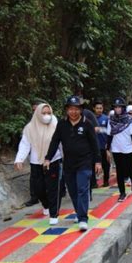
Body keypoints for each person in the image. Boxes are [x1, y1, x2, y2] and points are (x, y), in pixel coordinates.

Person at [45, 96, 101, 231]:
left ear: (81, 110)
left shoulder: (87, 124)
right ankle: (79, 211)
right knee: (73, 190)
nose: (73, 112)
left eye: (76, 109)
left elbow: (95, 144)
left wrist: (98, 161)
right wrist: (48, 158)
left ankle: (83, 218)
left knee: (82, 189)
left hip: (85, 162)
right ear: (67, 110)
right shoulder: (62, 124)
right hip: (69, 164)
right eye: (71, 109)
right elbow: (55, 141)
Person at [15, 103, 62, 224]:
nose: (46, 116)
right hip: (36, 162)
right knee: (38, 188)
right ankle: (45, 204)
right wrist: (19, 159)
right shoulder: (30, 128)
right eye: (43, 113)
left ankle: (54, 214)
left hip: (53, 161)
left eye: (49, 113)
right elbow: (25, 144)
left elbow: (61, 143)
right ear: (37, 114)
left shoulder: (55, 125)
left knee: (53, 189)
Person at [107, 97, 132, 202]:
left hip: (128, 149)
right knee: (119, 171)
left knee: (129, 169)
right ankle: (122, 193)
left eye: (119, 107)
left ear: (123, 108)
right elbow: (109, 135)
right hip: (116, 149)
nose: (117, 109)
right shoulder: (111, 120)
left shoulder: (130, 120)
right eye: (115, 107)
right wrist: (108, 149)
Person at [23, 98, 49, 207]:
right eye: (33, 110)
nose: (34, 112)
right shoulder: (30, 124)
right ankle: (34, 197)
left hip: (49, 156)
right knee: (35, 178)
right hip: (35, 157)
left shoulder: (51, 122)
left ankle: (56, 194)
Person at [93, 100, 110, 187]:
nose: (99, 110)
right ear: (94, 109)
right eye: (97, 108)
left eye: (101, 108)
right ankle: (93, 183)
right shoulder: (90, 118)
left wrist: (108, 145)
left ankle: (106, 181)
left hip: (104, 146)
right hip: (93, 147)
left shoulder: (106, 119)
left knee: (105, 164)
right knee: (93, 164)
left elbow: (109, 133)